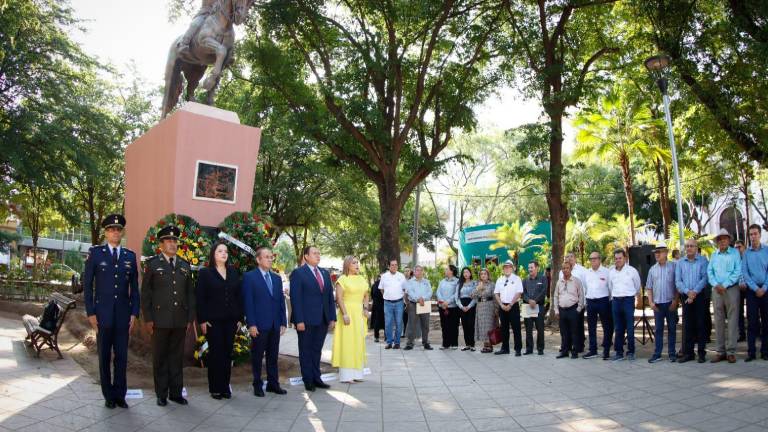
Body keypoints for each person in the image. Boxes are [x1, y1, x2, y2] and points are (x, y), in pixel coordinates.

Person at [83, 214, 139, 409]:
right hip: (102, 316)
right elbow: (87, 285)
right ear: (106, 233)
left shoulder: (129, 256)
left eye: (118, 229)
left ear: (121, 232)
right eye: (111, 229)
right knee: (105, 357)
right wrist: (90, 312)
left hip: (123, 316)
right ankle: (108, 395)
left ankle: (120, 394)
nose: (115, 232)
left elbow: (135, 288)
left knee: (122, 357)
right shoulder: (96, 254)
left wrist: (134, 313)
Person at [141, 225, 195, 406]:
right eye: (168, 240)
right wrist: (148, 319)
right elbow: (146, 294)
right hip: (159, 320)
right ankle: (161, 394)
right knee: (160, 358)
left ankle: (176, 393)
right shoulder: (153, 264)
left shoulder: (185, 266)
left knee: (176, 358)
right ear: (161, 244)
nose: (172, 244)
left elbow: (190, 294)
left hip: (179, 320)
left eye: (174, 240)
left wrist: (189, 319)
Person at [197, 241, 242, 399]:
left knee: (227, 354)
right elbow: (200, 298)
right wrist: (202, 319)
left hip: (231, 321)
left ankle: (225, 387)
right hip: (213, 321)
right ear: (213, 254)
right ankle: (215, 388)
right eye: (220, 251)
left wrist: (239, 318)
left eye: (226, 252)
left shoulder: (233, 272)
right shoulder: (206, 273)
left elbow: (238, 297)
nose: (224, 254)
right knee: (216, 354)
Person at [289, 246, 336, 392]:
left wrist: (332, 317)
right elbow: (295, 299)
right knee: (306, 350)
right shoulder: (298, 273)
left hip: (322, 319)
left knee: (317, 350)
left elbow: (329, 297)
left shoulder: (324, 273)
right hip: (306, 320)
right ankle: (308, 379)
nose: (318, 255)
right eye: (314, 253)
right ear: (306, 256)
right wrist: (299, 320)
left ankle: (317, 377)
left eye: (319, 253)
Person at [242, 246, 287, 397]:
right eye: (266, 257)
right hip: (259, 325)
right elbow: (248, 303)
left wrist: (283, 322)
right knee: (257, 356)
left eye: (271, 257)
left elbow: (281, 301)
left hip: (275, 324)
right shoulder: (250, 277)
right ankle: (257, 384)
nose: (269, 259)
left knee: (273, 356)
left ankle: (273, 384)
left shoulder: (276, 278)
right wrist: (251, 324)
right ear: (258, 259)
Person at [332, 256, 370, 383]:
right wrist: (344, 314)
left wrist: (365, 308)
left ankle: (358, 374)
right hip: (347, 312)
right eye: (354, 263)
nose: (357, 264)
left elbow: (366, 294)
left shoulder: (361, 279)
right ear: (347, 265)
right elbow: (339, 298)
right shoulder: (342, 279)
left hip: (359, 313)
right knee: (347, 342)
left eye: (357, 262)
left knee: (358, 342)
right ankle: (346, 375)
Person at [707, 229, 742, 363]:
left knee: (733, 320)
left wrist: (725, 284)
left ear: (729, 240)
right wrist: (716, 284)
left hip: (731, 289)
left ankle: (731, 351)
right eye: (720, 239)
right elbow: (710, 271)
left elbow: (737, 270)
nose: (722, 241)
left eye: (724, 238)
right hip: (716, 290)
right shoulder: (714, 255)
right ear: (717, 242)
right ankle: (720, 351)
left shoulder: (735, 253)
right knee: (718, 319)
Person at [676, 239, 710, 363]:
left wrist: (694, 292)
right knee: (688, 325)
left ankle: (701, 353)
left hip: (699, 296)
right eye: (687, 246)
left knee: (700, 324)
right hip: (686, 296)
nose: (689, 248)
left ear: (696, 248)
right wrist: (688, 292)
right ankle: (689, 353)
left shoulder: (703, 260)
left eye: (692, 246)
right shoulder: (680, 262)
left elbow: (704, 278)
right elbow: (678, 281)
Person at [646, 243, 678, 363]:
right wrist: (651, 302)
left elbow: (677, 285)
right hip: (658, 305)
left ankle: (672, 353)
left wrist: (675, 300)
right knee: (658, 330)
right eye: (655, 253)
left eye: (659, 252)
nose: (656, 254)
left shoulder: (673, 267)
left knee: (672, 329)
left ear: (666, 253)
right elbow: (649, 287)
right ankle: (657, 353)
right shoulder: (652, 269)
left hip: (670, 303)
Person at [608, 248, 641, 361]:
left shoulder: (632, 271)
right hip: (616, 301)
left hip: (628, 301)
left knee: (630, 327)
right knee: (618, 327)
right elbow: (610, 286)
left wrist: (633, 297)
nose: (618, 260)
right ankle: (619, 352)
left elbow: (637, 286)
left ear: (625, 258)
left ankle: (631, 351)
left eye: (620, 258)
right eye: (616, 258)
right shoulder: (611, 272)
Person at [742, 224, 768, 362]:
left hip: (766, 290)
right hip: (752, 292)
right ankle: (751, 352)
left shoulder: (767, 251)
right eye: (751, 234)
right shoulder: (746, 253)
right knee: (752, 322)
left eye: (755, 234)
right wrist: (755, 288)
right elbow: (745, 273)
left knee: (766, 321)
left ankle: (765, 351)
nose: (753, 236)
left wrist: (764, 287)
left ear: (760, 234)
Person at [582, 252, 613, 360]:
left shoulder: (606, 272)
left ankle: (606, 350)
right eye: (591, 259)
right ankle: (593, 350)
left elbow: (611, 288)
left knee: (606, 326)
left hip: (603, 301)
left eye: (595, 259)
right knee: (591, 327)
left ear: (599, 260)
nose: (592, 261)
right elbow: (585, 287)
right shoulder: (587, 273)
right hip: (591, 301)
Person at [554, 261, 585, 358]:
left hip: (573, 310)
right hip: (562, 310)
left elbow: (581, 295)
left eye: (567, 268)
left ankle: (574, 351)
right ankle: (564, 351)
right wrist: (556, 310)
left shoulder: (576, 281)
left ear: (571, 269)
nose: (565, 270)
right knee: (564, 332)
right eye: (563, 268)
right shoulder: (559, 282)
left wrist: (579, 309)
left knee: (574, 332)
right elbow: (555, 296)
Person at [559, 253, 588, 353]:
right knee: (566, 327)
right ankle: (566, 346)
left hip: (577, 304)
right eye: (567, 257)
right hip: (565, 305)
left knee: (578, 326)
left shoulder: (582, 270)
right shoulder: (561, 272)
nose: (569, 258)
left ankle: (579, 346)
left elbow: (585, 286)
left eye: (571, 256)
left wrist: (582, 303)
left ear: (575, 258)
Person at [494, 260, 523, 356]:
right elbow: (496, 293)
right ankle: (505, 348)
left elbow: (519, 293)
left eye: (509, 267)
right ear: (503, 269)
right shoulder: (500, 279)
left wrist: (510, 304)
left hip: (513, 306)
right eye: (505, 267)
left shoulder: (517, 278)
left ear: (512, 268)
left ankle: (518, 349)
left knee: (516, 328)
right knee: (504, 328)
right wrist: (501, 305)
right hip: (502, 306)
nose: (507, 269)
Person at [403, 265, 433, 350]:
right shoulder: (410, 282)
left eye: (420, 270)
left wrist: (423, 298)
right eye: (417, 270)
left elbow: (430, 292)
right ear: (414, 272)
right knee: (411, 324)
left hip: (425, 304)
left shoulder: (426, 281)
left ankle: (426, 342)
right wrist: (418, 299)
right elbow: (410, 292)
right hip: (413, 304)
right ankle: (410, 343)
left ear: (422, 272)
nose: (419, 272)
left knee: (425, 324)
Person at [380, 259, 406, 349]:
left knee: (399, 323)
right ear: (389, 266)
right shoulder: (384, 276)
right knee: (388, 323)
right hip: (387, 303)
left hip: (399, 302)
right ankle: (389, 342)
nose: (394, 266)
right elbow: (381, 289)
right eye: (392, 265)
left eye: (396, 265)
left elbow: (404, 289)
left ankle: (397, 342)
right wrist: (387, 296)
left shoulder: (401, 276)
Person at [522, 261, 547, 355]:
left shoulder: (543, 278)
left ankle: (540, 349)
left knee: (540, 329)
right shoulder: (525, 280)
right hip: (527, 306)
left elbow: (543, 291)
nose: (530, 269)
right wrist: (529, 301)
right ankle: (529, 349)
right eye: (529, 268)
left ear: (537, 268)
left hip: (539, 306)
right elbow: (523, 293)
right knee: (528, 329)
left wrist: (535, 301)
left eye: (531, 267)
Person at [473, 268, 497, 353]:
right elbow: (472, 296)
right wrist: (477, 289)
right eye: (481, 274)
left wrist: (496, 309)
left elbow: (495, 297)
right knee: (482, 326)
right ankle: (485, 345)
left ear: (488, 275)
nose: (483, 275)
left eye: (485, 274)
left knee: (489, 326)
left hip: (489, 306)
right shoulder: (478, 284)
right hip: (480, 307)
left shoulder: (492, 284)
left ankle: (490, 346)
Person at [437, 265, 460, 350]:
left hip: (453, 307)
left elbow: (456, 294)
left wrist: (448, 302)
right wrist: (442, 302)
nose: (445, 270)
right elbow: (438, 292)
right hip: (442, 307)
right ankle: (445, 344)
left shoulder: (457, 281)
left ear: (451, 271)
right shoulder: (442, 281)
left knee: (453, 325)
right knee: (444, 326)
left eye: (447, 269)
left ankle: (454, 343)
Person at [456, 267, 477, 351]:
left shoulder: (474, 283)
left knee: (471, 325)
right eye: (464, 272)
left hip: (471, 305)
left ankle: (472, 345)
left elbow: (475, 297)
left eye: (467, 272)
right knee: (464, 325)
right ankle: (467, 344)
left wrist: (469, 306)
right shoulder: (459, 283)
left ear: (470, 273)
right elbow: (456, 297)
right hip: (462, 305)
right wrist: (461, 306)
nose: (465, 274)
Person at [735, 239, 748, 342]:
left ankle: (755, 332)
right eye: (736, 247)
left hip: (749, 288)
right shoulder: (733, 259)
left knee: (752, 311)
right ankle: (741, 333)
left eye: (739, 247)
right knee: (739, 312)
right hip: (737, 289)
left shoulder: (748, 257)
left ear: (744, 247)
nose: (737, 249)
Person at [370, 275, 385, 343]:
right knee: (385, 321)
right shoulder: (384, 284)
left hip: (376, 305)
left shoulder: (374, 285)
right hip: (384, 304)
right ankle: (386, 336)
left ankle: (376, 337)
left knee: (377, 321)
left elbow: (372, 295)